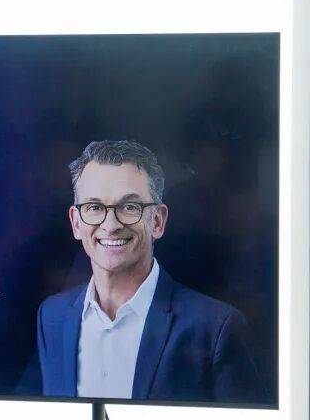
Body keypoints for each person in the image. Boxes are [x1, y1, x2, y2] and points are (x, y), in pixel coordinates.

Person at [35, 139, 262, 403]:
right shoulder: (52, 316)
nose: (111, 224)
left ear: (157, 221)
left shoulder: (215, 329)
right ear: (76, 223)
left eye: (129, 207)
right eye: (94, 207)